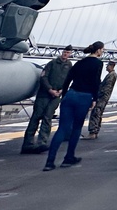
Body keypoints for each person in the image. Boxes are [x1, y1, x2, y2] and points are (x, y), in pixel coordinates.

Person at [43, 41, 104, 171]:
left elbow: (68, 80)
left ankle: (49, 162)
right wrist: (94, 98)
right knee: (76, 128)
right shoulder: (98, 63)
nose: (102, 52)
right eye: (102, 50)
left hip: (70, 95)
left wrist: (64, 94)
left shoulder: (79, 63)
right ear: (98, 50)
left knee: (62, 129)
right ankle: (68, 157)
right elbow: (96, 82)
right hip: (84, 97)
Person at [22, 45, 74, 154]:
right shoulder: (52, 63)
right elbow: (43, 77)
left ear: (70, 54)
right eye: (65, 52)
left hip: (56, 96)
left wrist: (61, 91)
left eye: (68, 53)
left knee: (48, 118)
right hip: (44, 94)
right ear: (62, 52)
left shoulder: (69, 65)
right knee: (36, 117)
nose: (66, 54)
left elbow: (68, 80)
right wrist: (50, 89)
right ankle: (28, 144)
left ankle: (42, 143)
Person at [85, 61, 117, 139]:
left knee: (96, 113)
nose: (106, 67)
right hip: (104, 97)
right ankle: (95, 131)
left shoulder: (111, 75)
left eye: (108, 66)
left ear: (111, 66)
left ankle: (93, 132)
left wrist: (98, 95)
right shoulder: (111, 75)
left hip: (102, 97)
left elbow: (107, 88)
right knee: (98, 113)